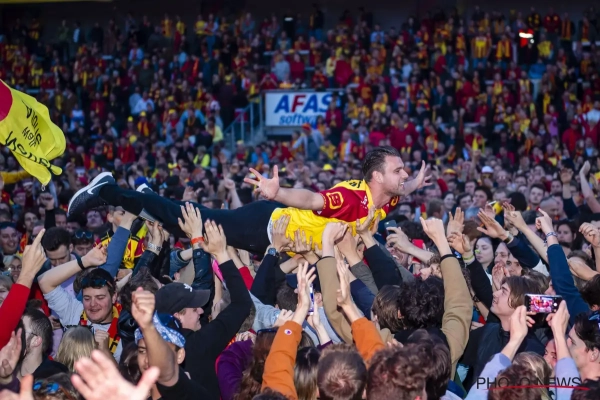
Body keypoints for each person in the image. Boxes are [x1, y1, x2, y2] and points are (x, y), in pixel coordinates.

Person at [67, 147, 431, 253]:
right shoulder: (355, 196)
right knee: (192, 224)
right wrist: (279, 192)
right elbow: (312, 199)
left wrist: (414, 182)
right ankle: (108, 190)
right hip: (266, 225)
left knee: (189, 221)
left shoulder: (385, 199)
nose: (404, 175)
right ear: (377, 177)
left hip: (282, 243)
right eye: (398, 170)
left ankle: (148, 198)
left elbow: (402, 189)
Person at [37, 247, 125, 361]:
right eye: (87, 298)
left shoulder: (126, 327)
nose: (93, 304)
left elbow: (125, 372)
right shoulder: (74, 312)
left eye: (100, 298)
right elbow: (44, 281)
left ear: (113, 297)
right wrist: (84, 261)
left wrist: (105, 351)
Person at [19, 307, 68, 379]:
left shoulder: (55, 379)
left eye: (22, 331)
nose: (16, 333)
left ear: (36, 341)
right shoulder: (8, 369)